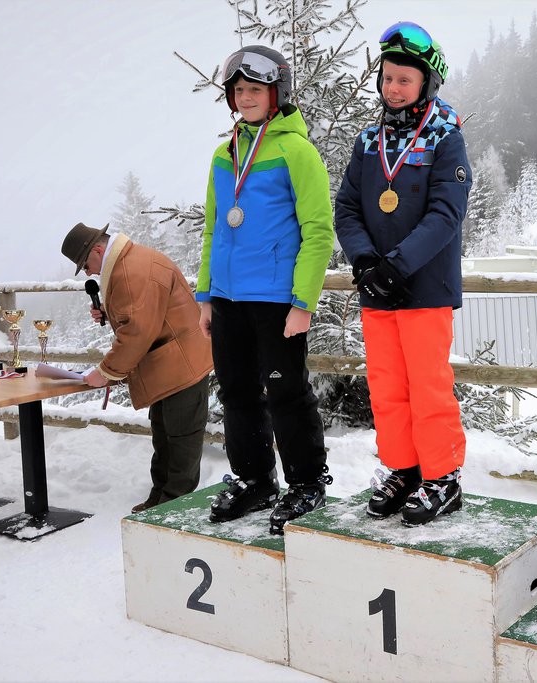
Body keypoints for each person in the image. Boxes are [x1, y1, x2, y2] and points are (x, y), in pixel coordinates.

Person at [335, 21, 471, 527]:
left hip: (423, 286)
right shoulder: (368, 141)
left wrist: (399, 264)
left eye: (404, 80)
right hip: (377, 288)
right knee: (387, 385)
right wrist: (366, 261)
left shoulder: (445, 138)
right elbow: (346, 206)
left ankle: (443, 477)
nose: (394, 88)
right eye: (388, 78)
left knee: (428, 383)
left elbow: (445, 214)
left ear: (427, 84)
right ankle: (403, 468)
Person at [196, 45, 334, 533]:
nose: (245, 97)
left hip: (277, 300)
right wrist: (206, 294)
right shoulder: (223, 154)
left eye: (254, 89)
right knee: (236, 394)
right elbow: (215, 227)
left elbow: (318, 231)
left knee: (286, 394)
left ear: (277, 92)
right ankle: (255, 480)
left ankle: (307, 482)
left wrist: (303, 303)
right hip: (229, 299)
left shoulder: (297, 150)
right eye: (238, 90)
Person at [61, 222, 213, 513]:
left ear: (98, 249)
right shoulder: (130, 262)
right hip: (169, 365)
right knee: (164, 436)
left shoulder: (131, 271)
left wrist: (105, 372)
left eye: (86, 264)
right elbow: (146, 312)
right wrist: (110, 311)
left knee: (181, 440)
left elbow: (137, 332)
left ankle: (173, 508)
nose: (89, 272)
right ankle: (160, 500)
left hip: (181, 365)